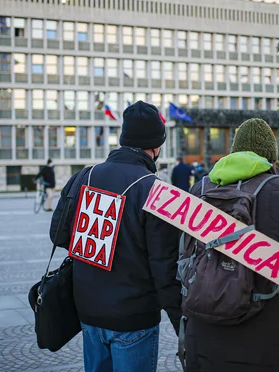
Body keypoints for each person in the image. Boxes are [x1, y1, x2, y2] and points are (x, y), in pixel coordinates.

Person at [50, 101, 181, 372]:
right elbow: (164, 268)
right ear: (156, 147)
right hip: (134, 318)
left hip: (88, 311)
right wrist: (182, 322)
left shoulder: (85, 175)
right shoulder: (155, 191)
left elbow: (59, 235)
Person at [186, 118, 279, 371]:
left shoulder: (199, 189)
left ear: (234, 152)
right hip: (270, 332)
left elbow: (183, 259)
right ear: (271, 157)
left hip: (204, 326)